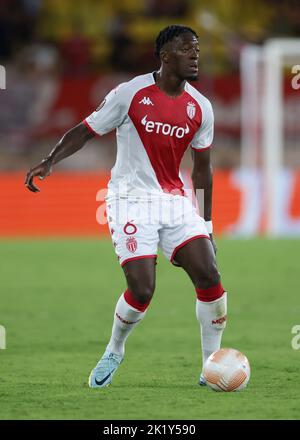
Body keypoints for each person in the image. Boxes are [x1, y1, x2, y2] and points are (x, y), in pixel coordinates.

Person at [25, 25, 227, 388]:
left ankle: (211, 366)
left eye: (197, 49)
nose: (196, 55)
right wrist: (50, 160)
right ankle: (115, 348)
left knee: (210, 276)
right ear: (166, 55)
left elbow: (202, 171)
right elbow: (86, 129)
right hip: (130, 200)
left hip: (174, 201)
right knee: (142, 288)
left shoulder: (201, 107)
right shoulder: (130, 93)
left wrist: (207, 225)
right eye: (187, 49)